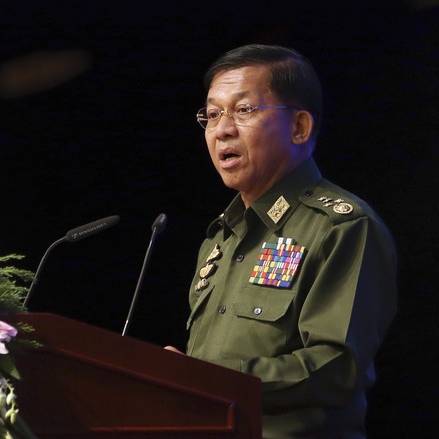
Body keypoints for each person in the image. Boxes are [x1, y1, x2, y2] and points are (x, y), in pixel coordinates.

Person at [165, 44, 397, 438]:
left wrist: (208, 378)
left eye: (244, 110)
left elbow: (336, 368)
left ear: (299, 127)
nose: (222, 129)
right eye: (214, 113)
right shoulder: (220, 237)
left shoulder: (342, 226)